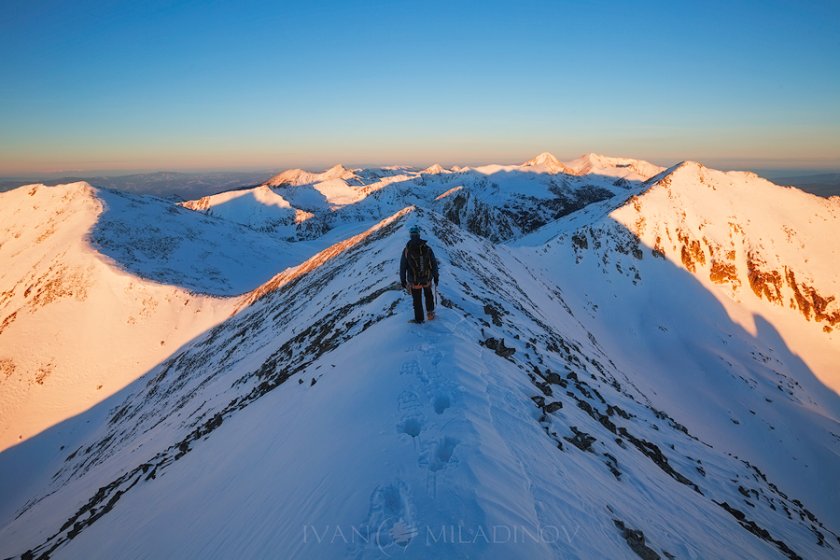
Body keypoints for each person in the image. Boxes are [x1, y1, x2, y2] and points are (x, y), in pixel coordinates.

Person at [399, 225, 439, 323]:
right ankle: (430, 314)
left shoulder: (407, 250)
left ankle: (419, 319)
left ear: (410, 235)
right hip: (427, 279)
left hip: (414, 281)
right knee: (428, 295)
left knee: (417, 300)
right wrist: (436, 277)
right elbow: (433, 263)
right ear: (419, 234)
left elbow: (403, 267)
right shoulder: (427, 248)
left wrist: (403, 280)